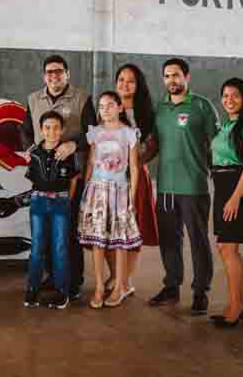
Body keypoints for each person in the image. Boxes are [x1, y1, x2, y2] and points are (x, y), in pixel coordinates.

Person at [145, 58, 218, 315]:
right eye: (167, 76)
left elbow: (216, 145)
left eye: (176, 75)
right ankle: (172, 286)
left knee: (198, 240)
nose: (171, 81)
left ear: (187, 77)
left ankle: (200, 292)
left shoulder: (202, 106)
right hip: (165, 186)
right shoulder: (160, 108)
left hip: (194, 186)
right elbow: (152, 146)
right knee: (169, 240)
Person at [22, 55, 97, 301]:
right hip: (43, 178)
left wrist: (75, 144)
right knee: (45, 234)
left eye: (59, 72)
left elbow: (93, 132)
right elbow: (25, 132)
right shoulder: (33, 100)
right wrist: (29, 150)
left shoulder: (82, 99)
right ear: (44, 75)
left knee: (69, 232)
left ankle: (73, 282)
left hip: (70, 178)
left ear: (67, 73)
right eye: (49, 72)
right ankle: (53, 277)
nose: (54, 76)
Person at [78, 91, 142, 308]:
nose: (105, 109)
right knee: (98, 241)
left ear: (120, 107)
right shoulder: (95, 133)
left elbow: (133, 167)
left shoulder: (129, 133)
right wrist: (87, 190)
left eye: (110, 105)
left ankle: (119, 287)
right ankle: (98, 287)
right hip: (97, 190)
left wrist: (131, 197)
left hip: (120, 191)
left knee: (119, 242)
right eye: (101, 106)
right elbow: (90, 163)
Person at [209, 78, 243, 328]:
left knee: (229, 249)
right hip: (222, 186)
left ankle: (237, 306)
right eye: (225, 95)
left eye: (235, 96)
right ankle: (235, 303)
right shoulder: (227, 125)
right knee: (224, 248)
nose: (229, 100)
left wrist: (234, 198)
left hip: (237, 187)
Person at [106, 64, 157, 297]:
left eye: (130, 81)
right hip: (107, 178)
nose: (124, 84)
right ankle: (115, 275)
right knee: (107, 230)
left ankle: (125, 282)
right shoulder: (108, 107)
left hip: (134, 177)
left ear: (138, 85)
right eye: (121, 79)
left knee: (132, 230)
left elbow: (152, 147)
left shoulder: (145, 113)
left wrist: (134, 162)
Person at [23, 111, 80, 310]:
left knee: (60, 248)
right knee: (37, 247)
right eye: (47, 127)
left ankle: (61, 292)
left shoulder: (66, 153)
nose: (52, 131)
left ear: (62, 130)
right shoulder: (35, 153)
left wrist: (66, 200)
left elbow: (73, 180)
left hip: (60, 203)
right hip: (38, 203)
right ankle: (32, 289)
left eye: (56, 127)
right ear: (41, 130)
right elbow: (32, 180)